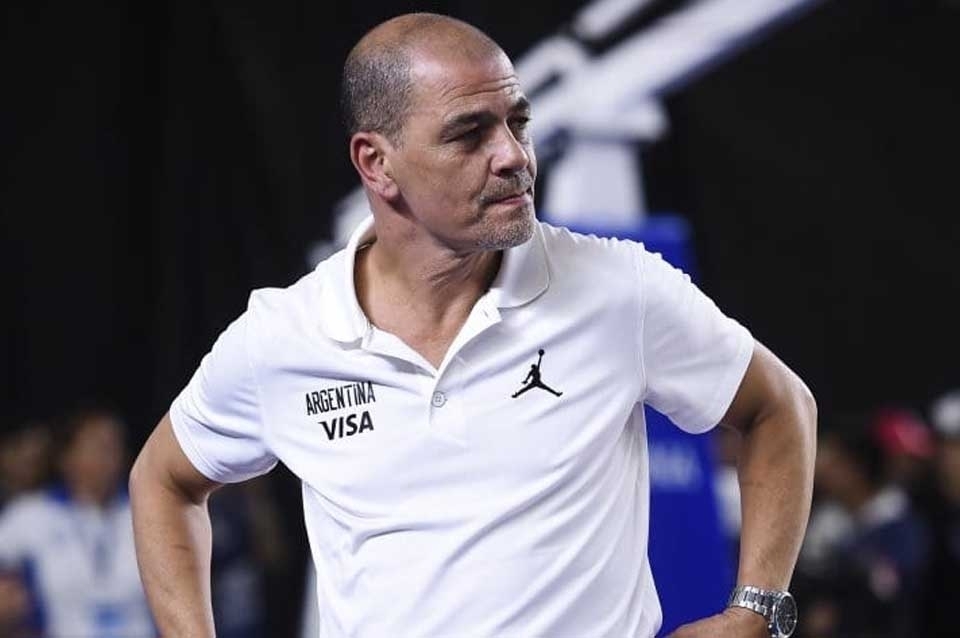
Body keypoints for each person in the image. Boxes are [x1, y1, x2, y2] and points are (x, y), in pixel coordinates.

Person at [129, 13, 817, 638]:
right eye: (469, 134)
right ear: (376, 163)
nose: (513, 155)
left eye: (518, 122)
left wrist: (756, 611)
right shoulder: (284, 335)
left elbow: (780, 407)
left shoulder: (618, 289)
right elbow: (162, 482)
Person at [0, 407, 155, 637]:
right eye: (96, 446)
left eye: (113, 447)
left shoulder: (148, 511)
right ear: (67, 457)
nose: (106, 457)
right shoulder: (30, 515)